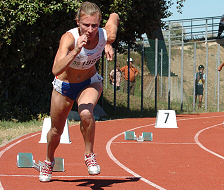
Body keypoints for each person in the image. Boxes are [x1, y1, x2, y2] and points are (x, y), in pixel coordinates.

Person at [39, 2, 119, 182]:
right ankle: (49, 161)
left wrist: (106, 43)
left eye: (95, 25)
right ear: (78, 22)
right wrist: (76, 50)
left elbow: (114, 15)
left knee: (85, 113)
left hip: (89, 83)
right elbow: (56, 70)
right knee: (56, 131)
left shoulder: (107, 34)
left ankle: (89, 154)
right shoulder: (69, 38)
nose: (90, 30)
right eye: (86, 25)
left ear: (100, 24)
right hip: (64, 86)